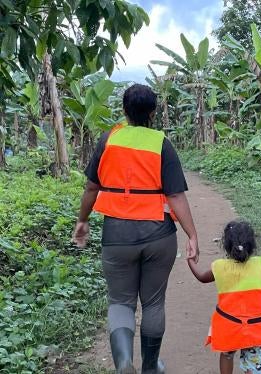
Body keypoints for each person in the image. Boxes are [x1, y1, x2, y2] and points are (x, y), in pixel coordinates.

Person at [72, 84, 199, 374]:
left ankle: (124, 362)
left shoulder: (109, 140)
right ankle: (151, 367)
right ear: (153, 112)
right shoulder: (161, 143)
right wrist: (192, 234)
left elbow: (92, 187)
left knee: (120, 302)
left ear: (124, 110)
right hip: (158, 235)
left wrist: (82, 220)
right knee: (153, 303)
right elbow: (176, 196)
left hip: (117, 236)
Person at [187, 220, 261, 374]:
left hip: (230, 325)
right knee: (255, 358)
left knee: (227, 354)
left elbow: (201, 277)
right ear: (253, 246)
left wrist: (190, 260)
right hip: (257, 326)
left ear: (226, 246)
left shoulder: (220, 267)